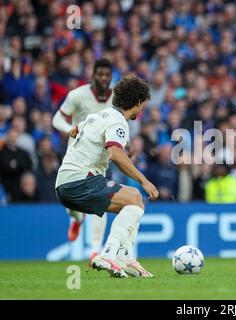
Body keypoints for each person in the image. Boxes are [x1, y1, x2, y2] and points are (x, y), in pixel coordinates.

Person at [55, 75, 159, 278]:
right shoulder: (119, 122)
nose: (142, 110)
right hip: (81, 180)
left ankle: (126, 257)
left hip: (65, 183)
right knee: (135, 196)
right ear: (137, 102)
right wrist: (144, 181)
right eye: (142, 105)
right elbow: (115, 154)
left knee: (133, 201)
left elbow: (74, 132)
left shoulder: (98, 115)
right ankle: (109, 254)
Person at [52, 58, 114, 256]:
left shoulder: (117, 99)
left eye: (107, 75)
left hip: (101, 158)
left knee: (101, 198)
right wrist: (71, 129)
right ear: (93, 75)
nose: (104, 78)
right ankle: (76, 219)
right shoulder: (77, 95)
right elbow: (57, 118)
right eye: (100, 74)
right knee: (70, 200)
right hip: (77, 154)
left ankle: (95, 249)